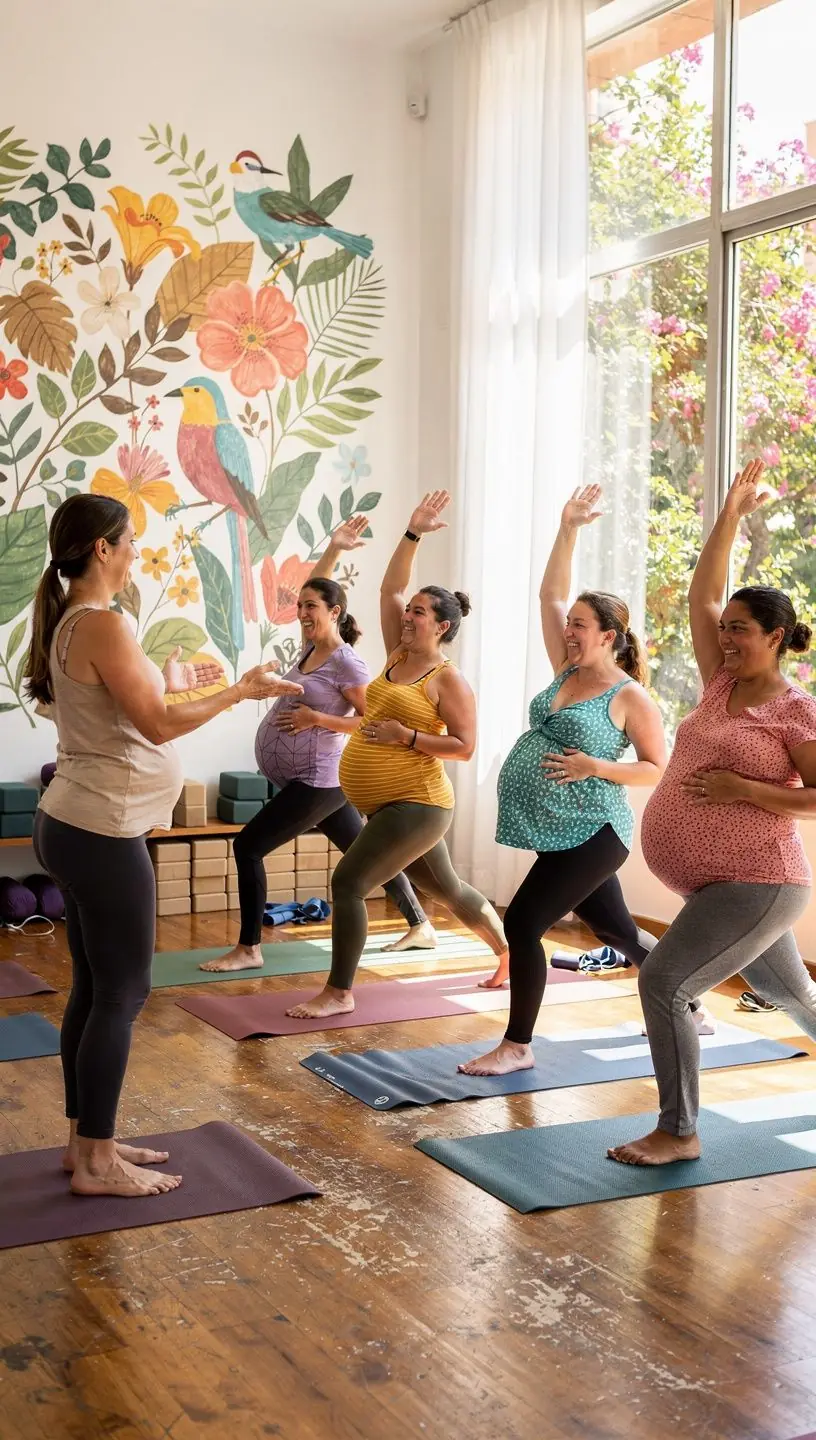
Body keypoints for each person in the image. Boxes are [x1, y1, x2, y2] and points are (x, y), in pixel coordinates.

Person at [26, 494, 302, 1199]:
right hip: (101, 829)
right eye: (129, 540)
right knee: (123, 991)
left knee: (95, 988)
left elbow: (128, 712)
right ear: (102, 550)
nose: (135, 551)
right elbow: (155, 725)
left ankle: (87, 1143)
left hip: (77, 820)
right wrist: (241, 690)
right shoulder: (103, 624)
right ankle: (95, 1161)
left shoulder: (69, 622)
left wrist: (180, 687)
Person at [610, 460, 816, 1166]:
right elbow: (702, 594)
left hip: (760, 882)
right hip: (715, 883)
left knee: (665, 982)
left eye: (743, 631)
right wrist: (729, 514)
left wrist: (749, 791)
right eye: (725, 629)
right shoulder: (720, 679)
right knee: (794, 998)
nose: (727, 639)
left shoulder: (795, 711)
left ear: (780, 636)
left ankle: (680, 1131)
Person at [460, 483, 676, 1078]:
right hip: (556, 827)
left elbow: (657, 768)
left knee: (524, 922)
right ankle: (687, 995)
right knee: (617, 929)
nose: (570, 631)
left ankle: (517, 1044)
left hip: (595, 831)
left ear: (608, 635)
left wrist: (594, 766)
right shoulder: (566, 669)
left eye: (582, 626)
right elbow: (551, 592)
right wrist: (568, 528)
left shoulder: (630, 696)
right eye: (570, 625)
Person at [285, 490, 508, 1019]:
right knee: (448, 889)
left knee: (348, 882)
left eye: (420, 613)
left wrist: (406, 738)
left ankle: (339, 992)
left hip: (420, 803)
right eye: (408, 611)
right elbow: (391, 586)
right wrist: (412, 533)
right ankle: (511, 952)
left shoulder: (446, 679)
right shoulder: (395, 656)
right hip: (387, 804)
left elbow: (465, 747)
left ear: (443, 626)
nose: (408, 617)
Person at [203, 516, 436, 974]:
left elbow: (374, 720)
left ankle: (249, 948)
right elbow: (320, 588)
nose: (304, 614)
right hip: (313, 780)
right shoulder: (310, 649)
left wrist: (315, 718)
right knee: (364, 852)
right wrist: (333, 548)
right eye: (301, 608)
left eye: (313, 607)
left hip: (320, 780)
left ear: (336, 613)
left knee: (248, 847)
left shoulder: (348, 663)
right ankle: (421, 923)